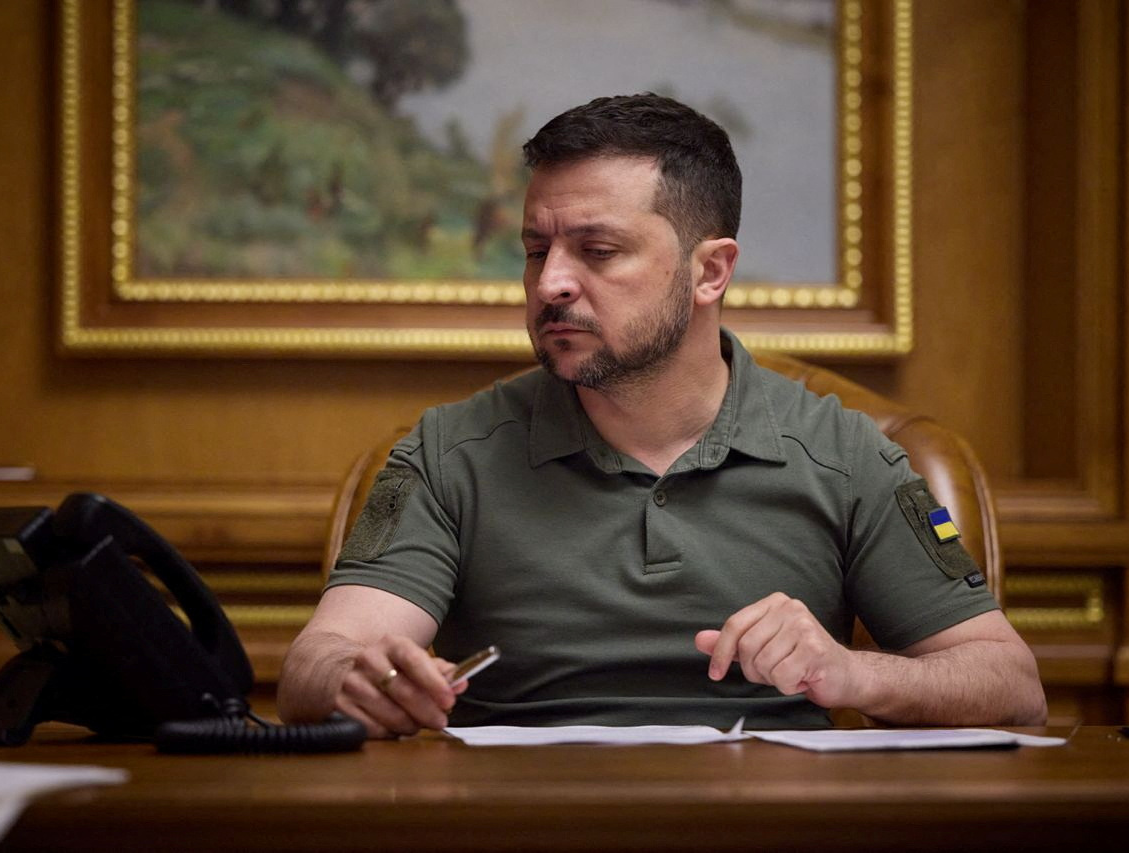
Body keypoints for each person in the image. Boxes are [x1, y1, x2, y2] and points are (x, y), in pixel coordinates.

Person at [278, 94, 1047, 736]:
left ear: (710, 270)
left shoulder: (846, 453)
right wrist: (353, 677)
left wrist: (851, 672)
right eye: (535, 249)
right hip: (515, 825)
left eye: (598, 250)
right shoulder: (448, 451)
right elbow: (319, 659)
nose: (551, 284)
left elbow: (1010, 684)